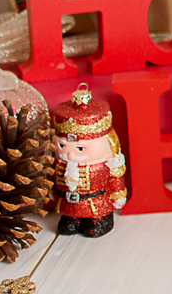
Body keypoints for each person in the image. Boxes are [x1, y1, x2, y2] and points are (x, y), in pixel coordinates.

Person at [51, 84, 128, 238]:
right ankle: (72, 220)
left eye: (80, 148)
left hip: (96, 202)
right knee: (69, 218)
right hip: (69, 201)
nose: (71, 155)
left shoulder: (107, 164)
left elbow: (115, 179)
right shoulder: (59, 163)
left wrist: (118, 194)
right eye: (62, 146)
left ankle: (100, 222)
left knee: (97, 217)